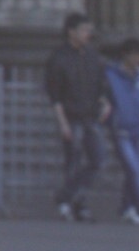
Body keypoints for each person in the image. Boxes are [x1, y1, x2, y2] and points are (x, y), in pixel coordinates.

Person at [45, 11, 113, 221]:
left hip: (90, 115)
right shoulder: (59, 58)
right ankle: (75, 203)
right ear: (71, 32)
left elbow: (101, 83)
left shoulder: (93, 56)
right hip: (71, 115)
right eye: (84, 30)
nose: (88, 34)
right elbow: (55, 94)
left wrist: (105, 102)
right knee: (73, 161)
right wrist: (62, 122)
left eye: (89, 30)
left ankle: (69, 197)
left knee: (98, 160)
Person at [105, 39, 139, 225]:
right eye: (135, 55)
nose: (138, 59)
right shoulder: (111, 75)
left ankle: (127, 207)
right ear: (125, 55)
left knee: (137, 170)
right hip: (121, 129)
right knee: (133, 169)